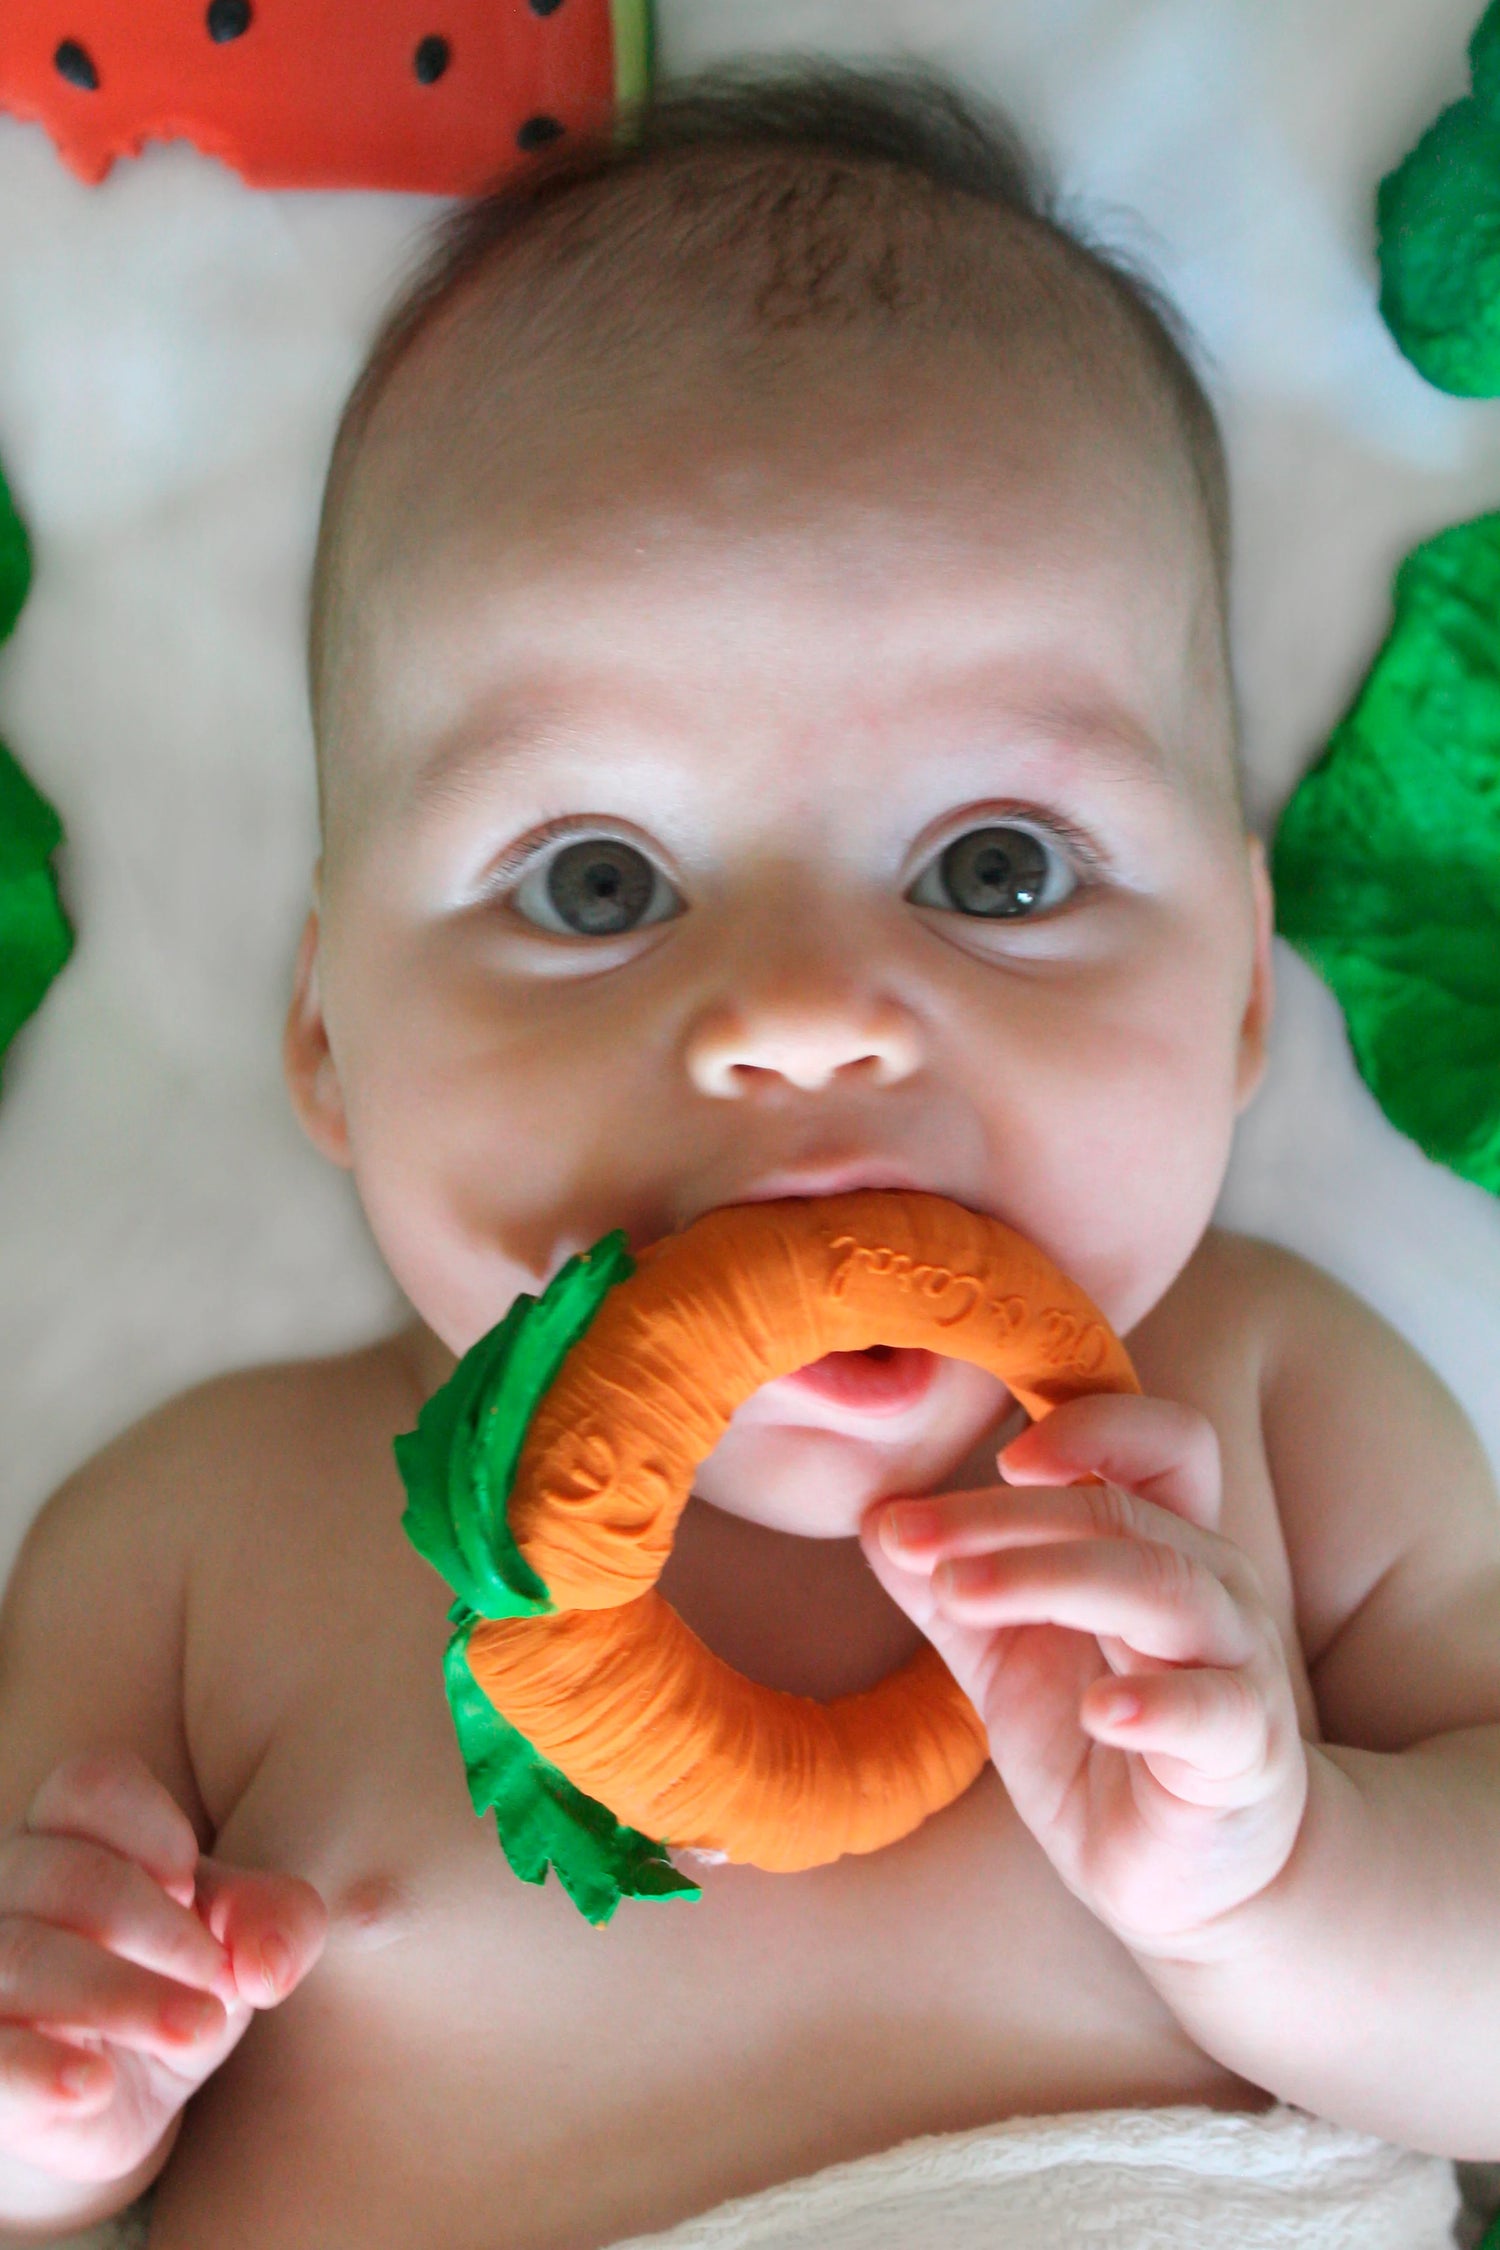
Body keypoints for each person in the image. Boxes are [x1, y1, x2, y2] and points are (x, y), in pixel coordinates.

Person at [1, 65, 1496, 2250]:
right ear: (326, 1034)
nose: (803, 1013)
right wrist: (56, 2100)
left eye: (996, 867)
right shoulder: (189, 1547)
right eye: (597, 883)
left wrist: (1283, 1881)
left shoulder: (1275, 1422)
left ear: (1246, 995)